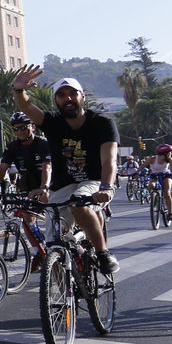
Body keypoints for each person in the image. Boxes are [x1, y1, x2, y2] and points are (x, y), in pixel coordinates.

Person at [11, 67, 121, 274]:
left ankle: (102, 253)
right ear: (56, 101)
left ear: (82, 97)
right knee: (53, 243)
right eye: (61, 95)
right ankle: (59, 294)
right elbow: (26, 107)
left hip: (95, 181)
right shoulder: (52, 123)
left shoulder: (103, 123)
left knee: (79, 203)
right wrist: (18, 89)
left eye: (72, 93)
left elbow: (109, 160)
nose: (67, 98)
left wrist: (106, 187)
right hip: (62, 185)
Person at [0, 111, 54, 268]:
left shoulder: (43, 144)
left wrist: (44, 187)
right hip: (27, 185)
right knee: (27, 220)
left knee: (52, 218)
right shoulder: (12, 147)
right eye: (16, 129)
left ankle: (56, 245)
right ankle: (39, 251)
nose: (20, 132)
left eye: (23, 128)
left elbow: (47, 168)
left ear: (33, 127)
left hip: (48, 183)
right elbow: (2, 168)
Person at [148, 144, 172, 225]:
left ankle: (170, 213)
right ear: (165, 153)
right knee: (150, 186)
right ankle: (154, 199)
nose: (170, 153)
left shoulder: (170, 159)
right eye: (169, 152)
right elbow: (143, 166)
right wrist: (137, 172)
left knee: (167, 193)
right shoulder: (153, 159)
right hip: (154, 176)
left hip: (166, 175)